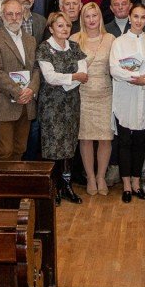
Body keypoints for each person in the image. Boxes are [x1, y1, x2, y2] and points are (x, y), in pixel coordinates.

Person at [110, 4, 145, 202]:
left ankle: (136, 183)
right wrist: (134, 78)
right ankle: (125, 185)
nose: (139, 20)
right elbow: (114, 68)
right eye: (136, 16)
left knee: (140, 142)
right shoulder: (119, 42)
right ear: (130, 18)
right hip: (125, 96)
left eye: (143, 17)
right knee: (124, 141)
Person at [37, 11, 88, 204]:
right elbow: (50, 77)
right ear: (51, 29)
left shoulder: (74, 47)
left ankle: (67, 186)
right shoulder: (44, 48)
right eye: (60, 25)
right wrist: (73, 77)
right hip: (51, 105)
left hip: (71, 104)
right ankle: (54, 187)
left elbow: (84, 73)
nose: (65, 29)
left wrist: (68, 80)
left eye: (67, 25)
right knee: (53, 146)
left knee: (69, 146)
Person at [0, 0, 40, 162]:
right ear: (2, 16)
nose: (14, 18)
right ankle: (3, 180)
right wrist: (18, 92)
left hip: (26, 104)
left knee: (20, 149)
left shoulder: (30, 40)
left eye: (18, 14)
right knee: (5, 152)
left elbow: (36, 68)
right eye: (10, 14)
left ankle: (16, 179)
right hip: (3, 104)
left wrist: (31, 89)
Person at [74, 2, 115, 196]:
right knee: (86, 138)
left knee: (105, 138)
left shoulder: (110, 39)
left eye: (94, 15)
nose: (91, 20)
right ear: (82, 19)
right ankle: (90, 177)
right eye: (87, 16)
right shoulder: (74, 39)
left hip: (105, 93)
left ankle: (101, 176)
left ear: (100, 17)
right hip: (83, 94)